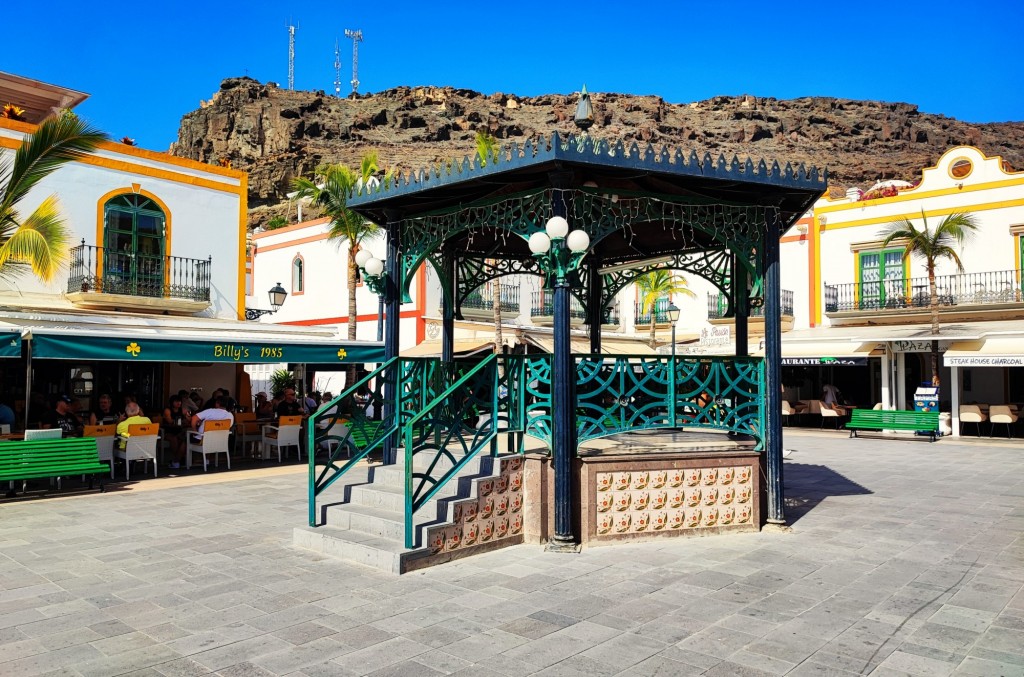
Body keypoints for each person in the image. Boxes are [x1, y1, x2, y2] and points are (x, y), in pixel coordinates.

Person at [162, 395, 188, 469]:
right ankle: (178, 459)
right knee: (174, 439)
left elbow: (187, 421)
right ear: (172, 402)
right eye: (176, 401)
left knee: (184, 439)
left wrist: (187, 417)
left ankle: (177, 460)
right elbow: (170, 421)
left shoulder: (182, 410)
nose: (179, 403)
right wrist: (182, 421)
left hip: (179, 431)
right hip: (168, 431)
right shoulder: (167, 410)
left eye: (180, 401)